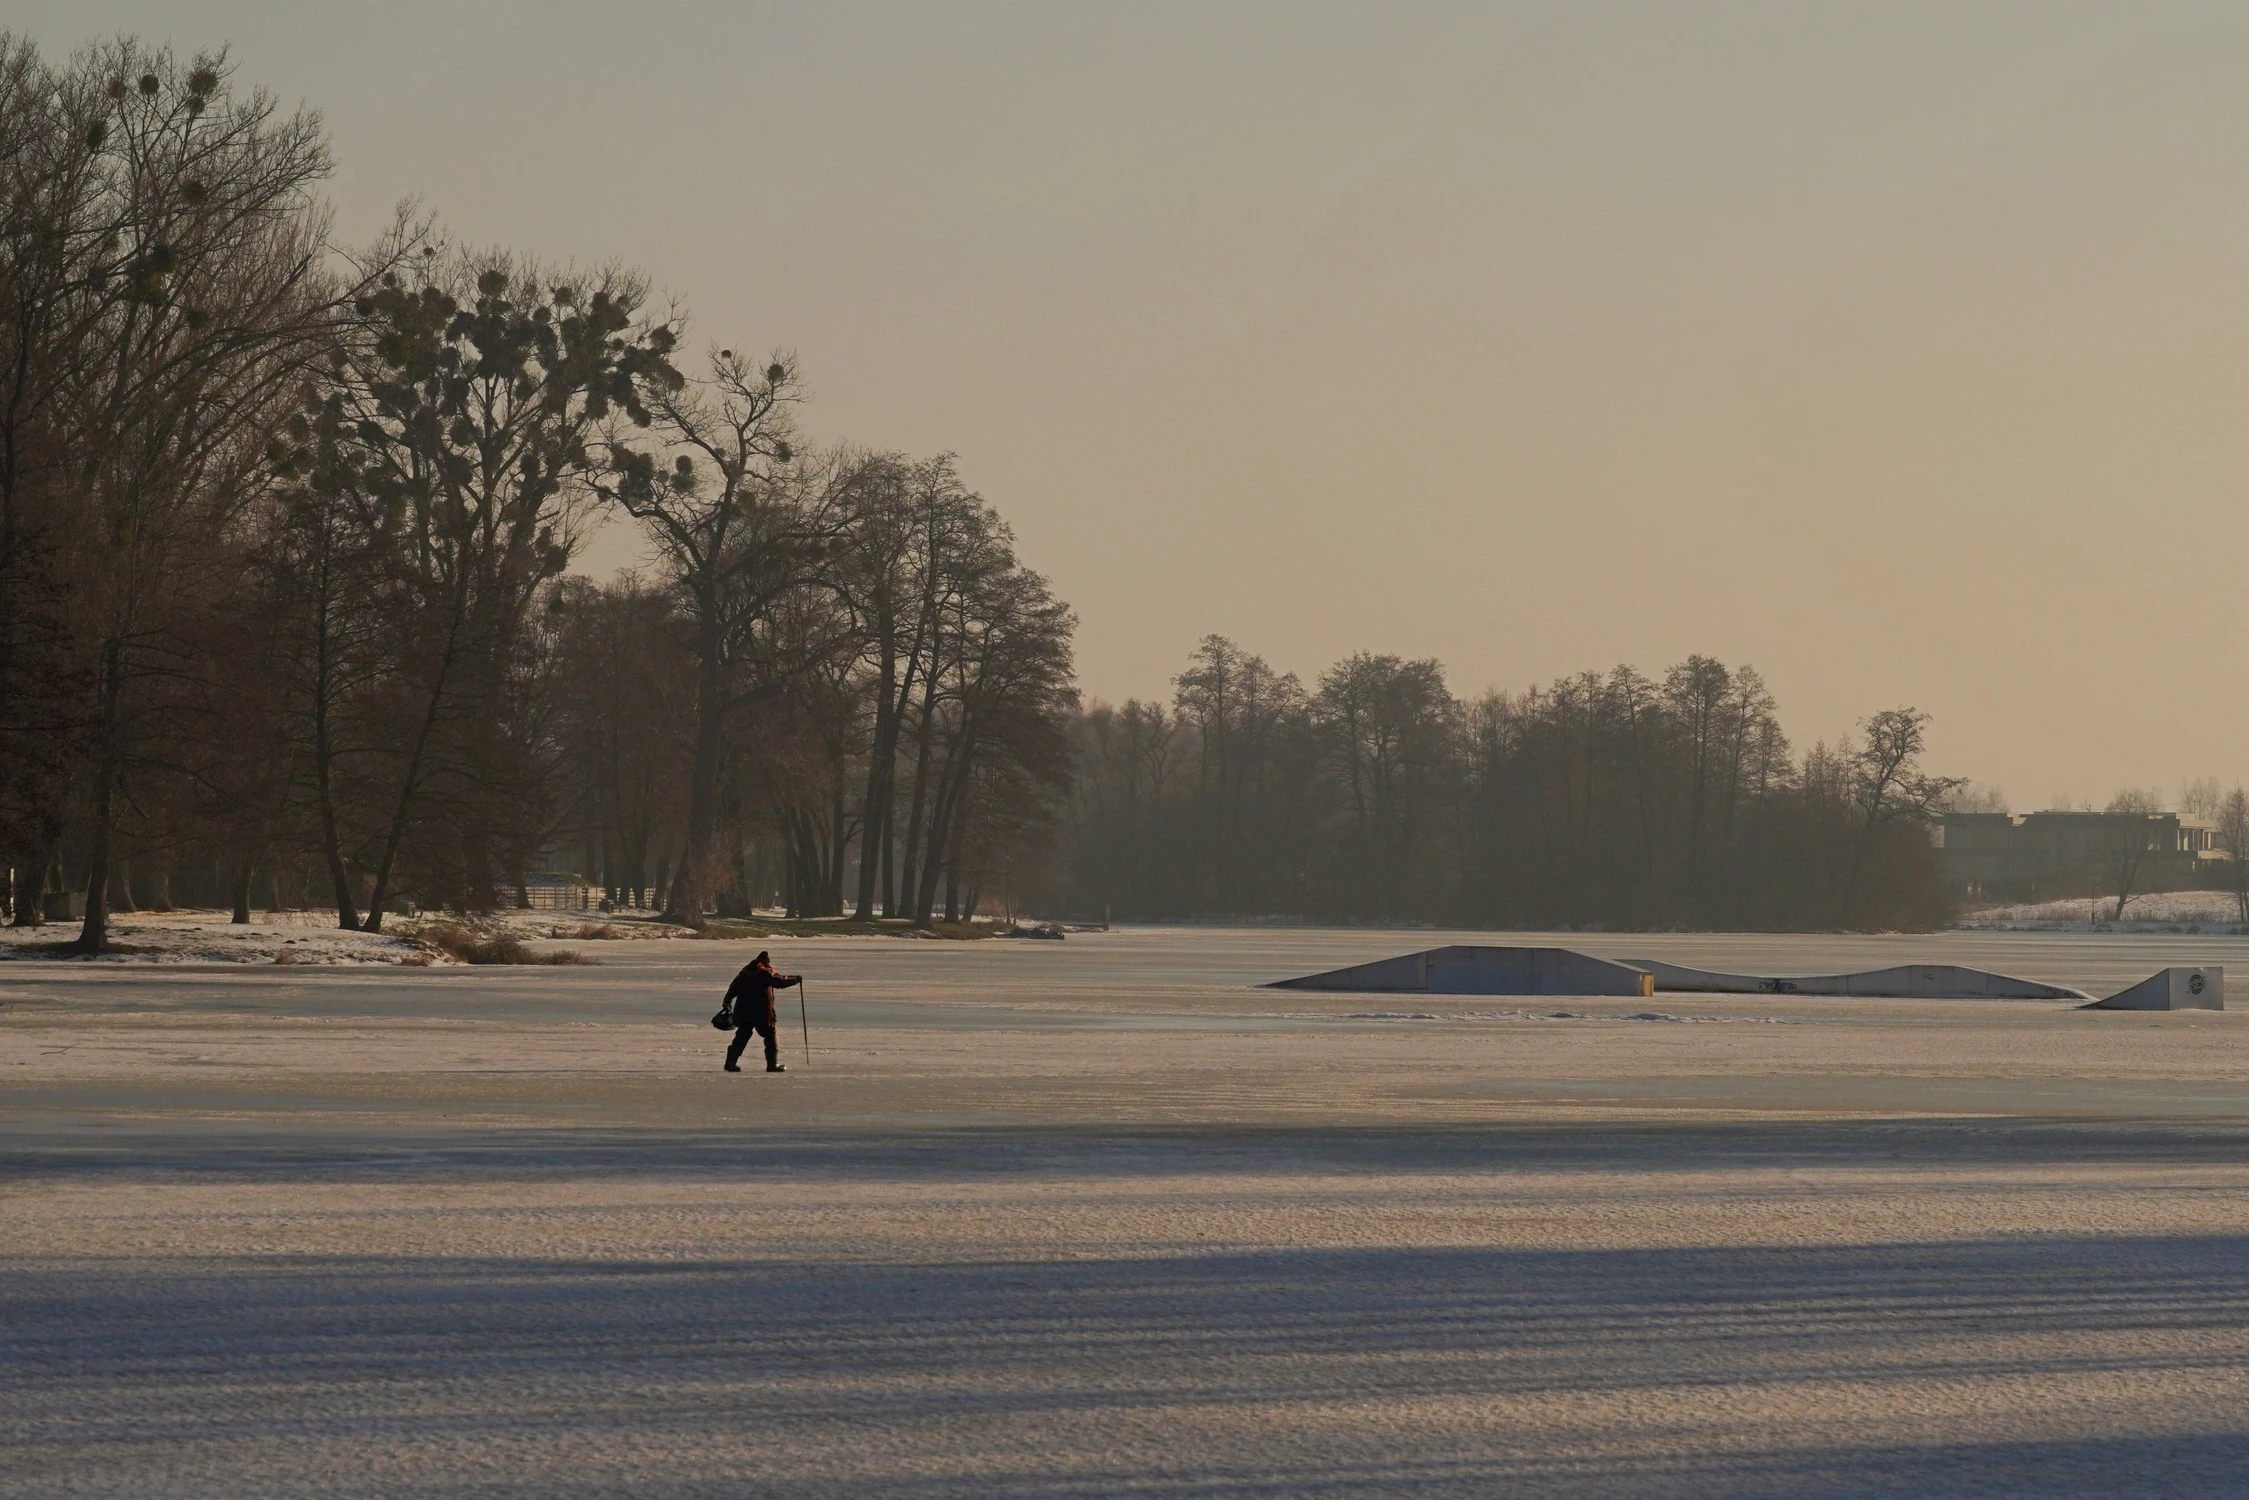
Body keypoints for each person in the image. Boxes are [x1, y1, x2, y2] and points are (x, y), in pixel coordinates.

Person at [722, 950, 800, 1073]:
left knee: (741, 1036)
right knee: (770, 1036)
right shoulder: (764, 972)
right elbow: (778, 981)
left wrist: (726, 1002)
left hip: (743, 1011)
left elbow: (733, 988)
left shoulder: (743, 973)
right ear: (766, 962)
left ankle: (730, 1063)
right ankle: (772, 1065)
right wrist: (795, 979)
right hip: (762, 1012)